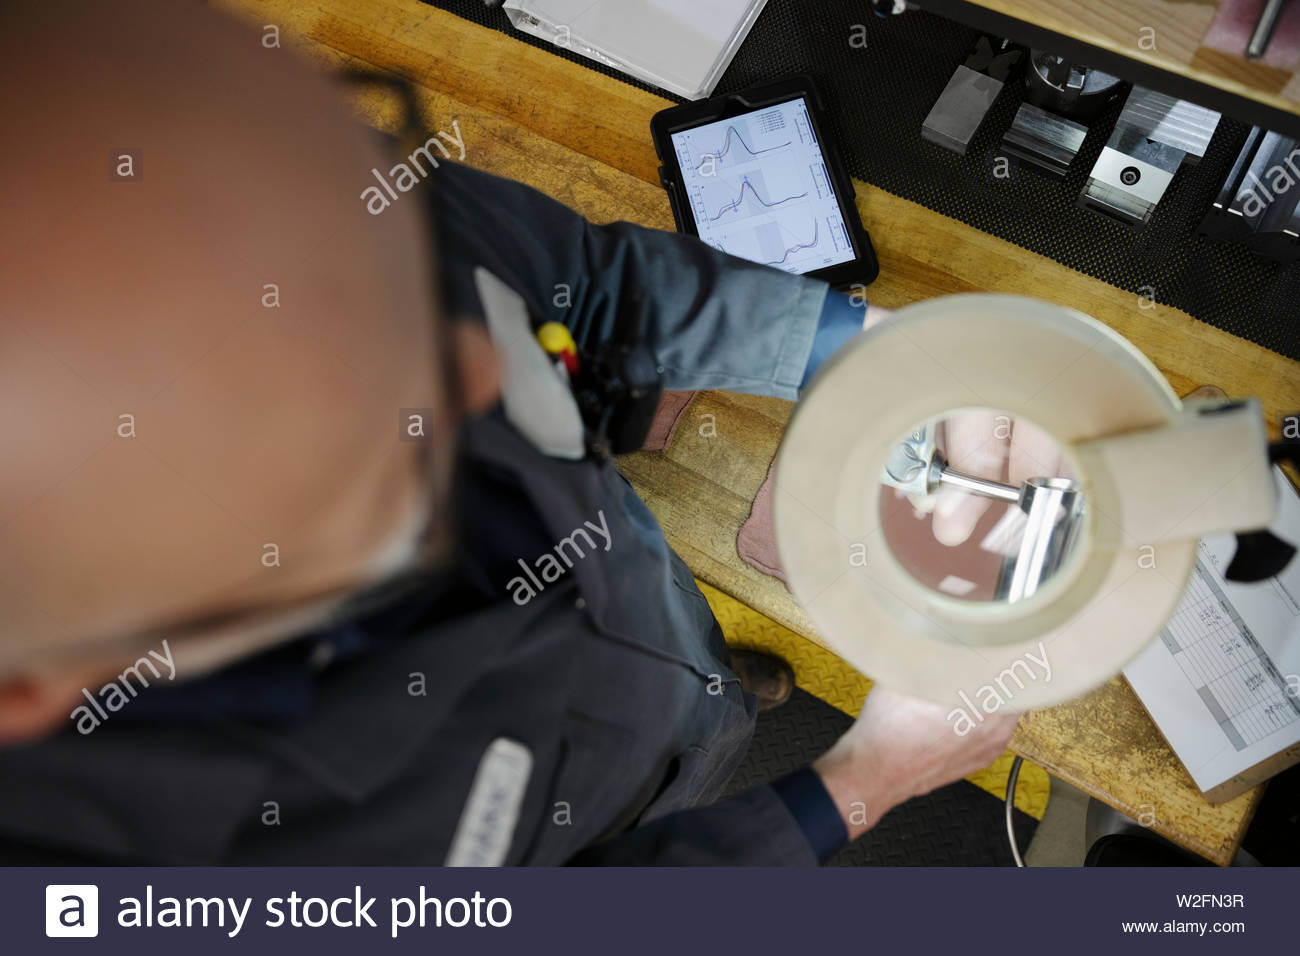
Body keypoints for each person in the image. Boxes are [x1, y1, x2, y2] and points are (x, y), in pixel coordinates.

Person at [0, 0, 1015, 865]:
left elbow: (589, 286)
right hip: (596, 816)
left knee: (691, 675)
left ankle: (713, 704)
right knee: (663, 788)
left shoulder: (215, 181)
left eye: (390, 285)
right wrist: (864, 781)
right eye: (367, 451)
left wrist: (868, 349)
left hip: (624, 600)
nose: (501, 364)